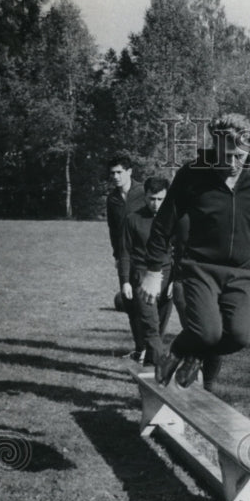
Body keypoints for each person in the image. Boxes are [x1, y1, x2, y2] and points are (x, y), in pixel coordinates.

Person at [138, 113, 250, 393]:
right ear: (213, 145)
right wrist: (153, 271)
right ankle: (180, 350)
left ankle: (193, 354)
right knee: (207, 332)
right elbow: (163, 223)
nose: (231, 163)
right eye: (225, 155)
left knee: (239, 337)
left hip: (243, 270)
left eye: (239, 156)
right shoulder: (192, 174)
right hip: (200, 267)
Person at [117, 176, 176, 366]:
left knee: (159, 328)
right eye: (152, 199)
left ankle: (151, 367)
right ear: (145, 197)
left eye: (161, 199)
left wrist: (176, 280)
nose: (156, 204)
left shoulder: (175, 220)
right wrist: (125, 280)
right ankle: (163, 366)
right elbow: (124, 253)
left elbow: (181, 252)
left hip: (167, 277)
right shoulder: (132, 220)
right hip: (141, 276)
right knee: (150, 326)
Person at [106, 154, 146, 360]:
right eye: (112, 173)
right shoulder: (112, 199)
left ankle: (151, 348)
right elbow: (113, 230)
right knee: (130, 303)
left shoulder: (144, 193)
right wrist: (116, 255)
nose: (115, 176)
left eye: (119, 172)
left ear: (130, 172)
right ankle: (140, 348)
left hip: (144, 256)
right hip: (124, 257)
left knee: (145, 302)